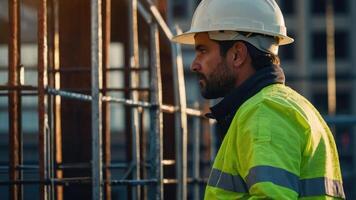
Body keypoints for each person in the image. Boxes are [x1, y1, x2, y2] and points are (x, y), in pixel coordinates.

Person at [172, 0, 345, 199]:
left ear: (237, 54)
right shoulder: (289, 105)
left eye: (202, 51)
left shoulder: (265, 112)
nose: (194, 65)